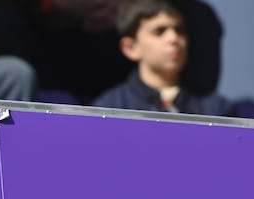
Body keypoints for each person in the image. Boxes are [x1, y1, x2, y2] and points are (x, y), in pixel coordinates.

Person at [92, 0, 230, 116]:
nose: (174, 38)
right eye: (159, 31)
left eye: (179, 30)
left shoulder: (215, 109)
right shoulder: (109, 109)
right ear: (130, 48)